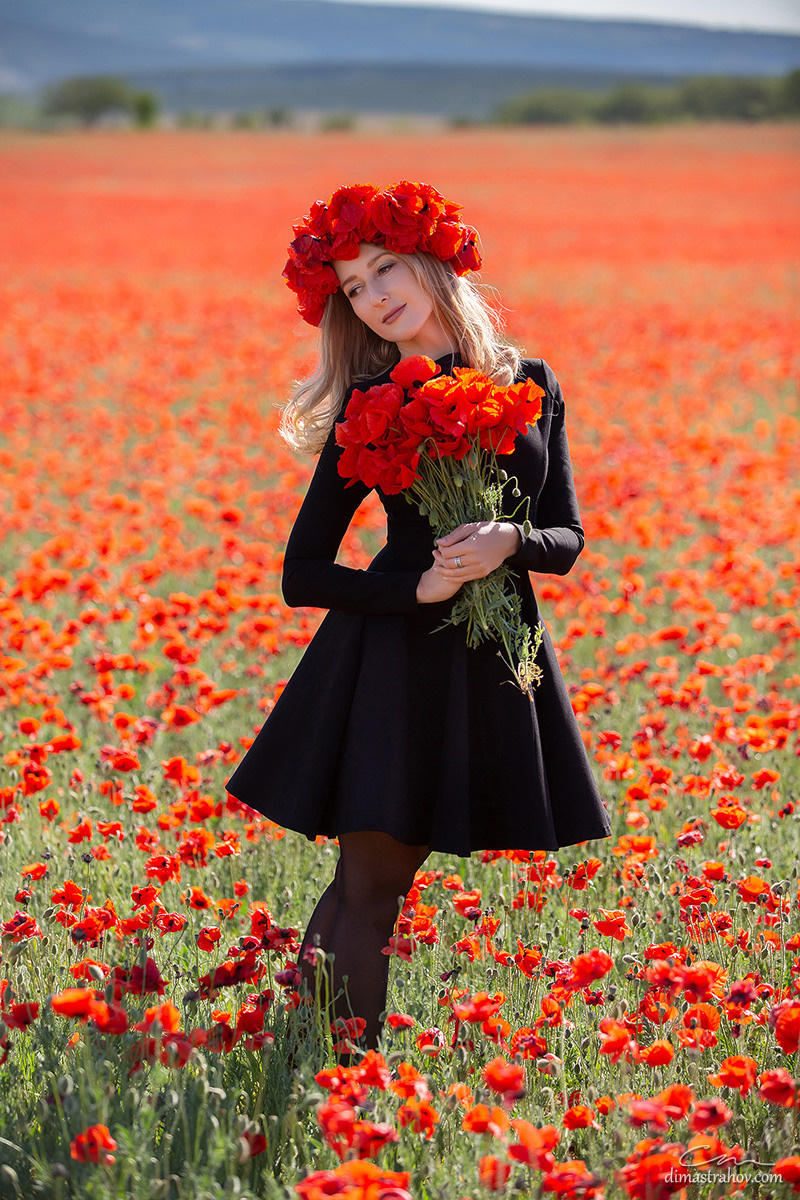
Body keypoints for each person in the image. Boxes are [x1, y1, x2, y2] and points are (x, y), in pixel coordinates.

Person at [225, 180, 611, 1056]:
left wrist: (509, 538)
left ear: (434, 260)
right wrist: (418, 590)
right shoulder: (369, 404)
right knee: (371, 886)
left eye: (385, 268)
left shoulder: (529, 382)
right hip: (393, 663)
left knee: (375, 883)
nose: (375, 295)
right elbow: (301, 572)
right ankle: (346, 1076)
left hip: (487, 662)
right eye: (354, 288)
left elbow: (568, 537)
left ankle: (310, 1054)